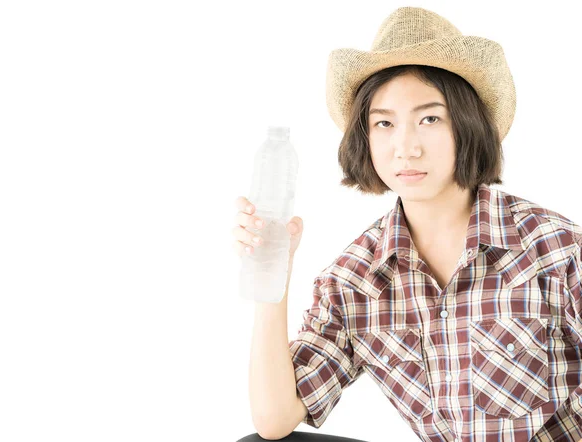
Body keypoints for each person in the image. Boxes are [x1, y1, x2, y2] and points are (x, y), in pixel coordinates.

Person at [234, 6, 582, 442]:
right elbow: (273, 419)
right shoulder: (356, 280)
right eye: (384, 123)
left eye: (429, 118)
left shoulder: (555, 249)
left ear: (467, 125)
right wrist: (273, 274)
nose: (405, 148)